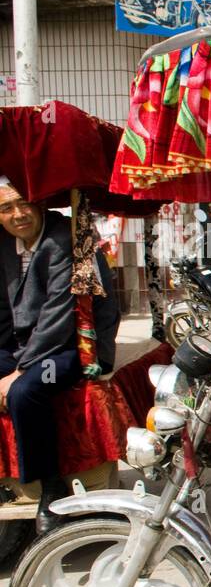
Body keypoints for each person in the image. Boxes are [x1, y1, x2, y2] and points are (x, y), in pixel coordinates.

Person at [0, 183, 119, 534]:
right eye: (7, 208)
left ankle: (50, 487)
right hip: (21, 346)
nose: (17, 215)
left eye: (24, 204)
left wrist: (19, 370)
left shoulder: (62, 238)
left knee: (26, 391)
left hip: (68, 349)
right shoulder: (4, 243)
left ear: (39, 203)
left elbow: (58, 314)